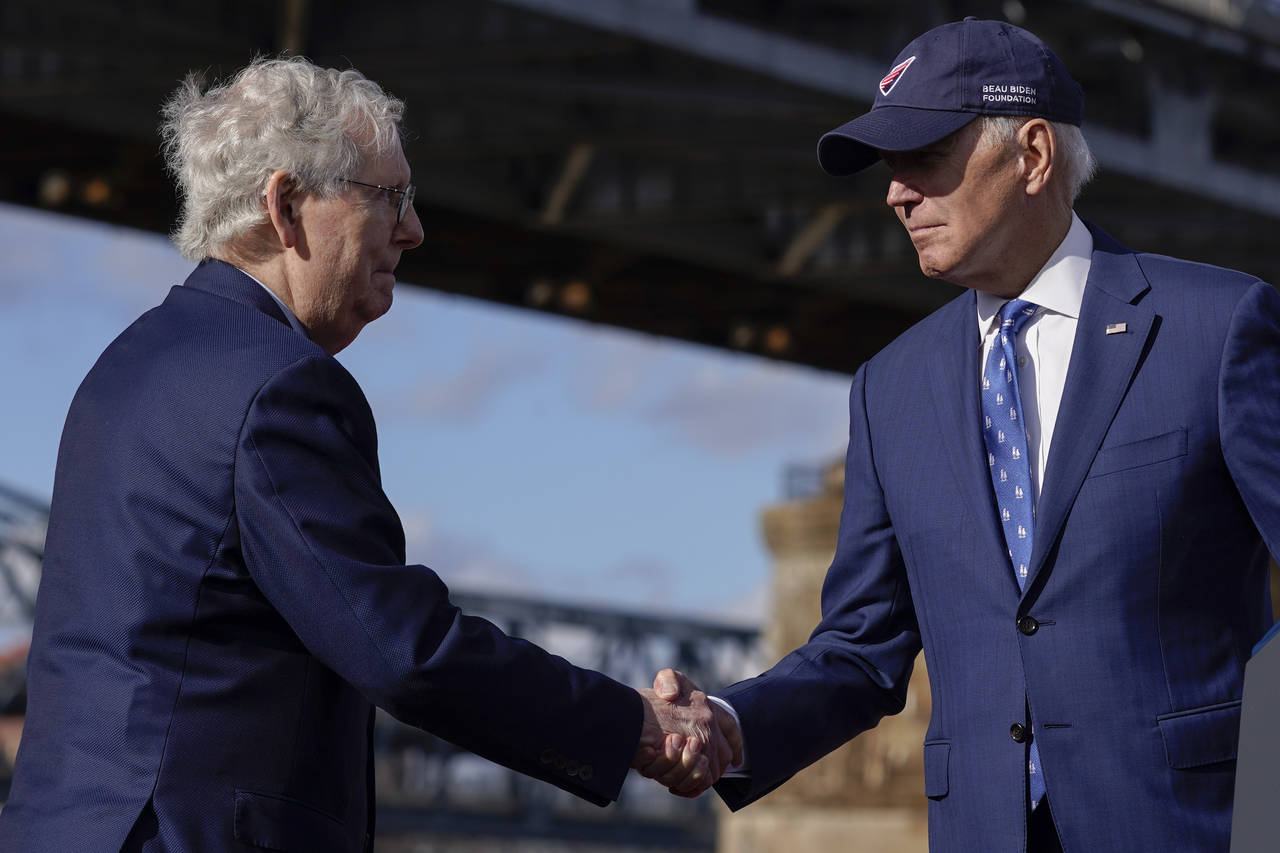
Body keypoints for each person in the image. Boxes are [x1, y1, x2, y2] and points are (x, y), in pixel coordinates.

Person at [0, 57, 736, 852]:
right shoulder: (281, 386)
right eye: (388, 197)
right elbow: (403, 651)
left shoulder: (121, 369)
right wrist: (634, 723)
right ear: (284, 205)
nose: (415, 230)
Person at [651, 17, 1280, 852]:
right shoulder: (889, 389)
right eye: (888, 167)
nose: (895, 192)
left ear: (1033, 153)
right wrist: (729, 720)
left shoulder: (1216, 327)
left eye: (924, 158)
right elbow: (860, 650)